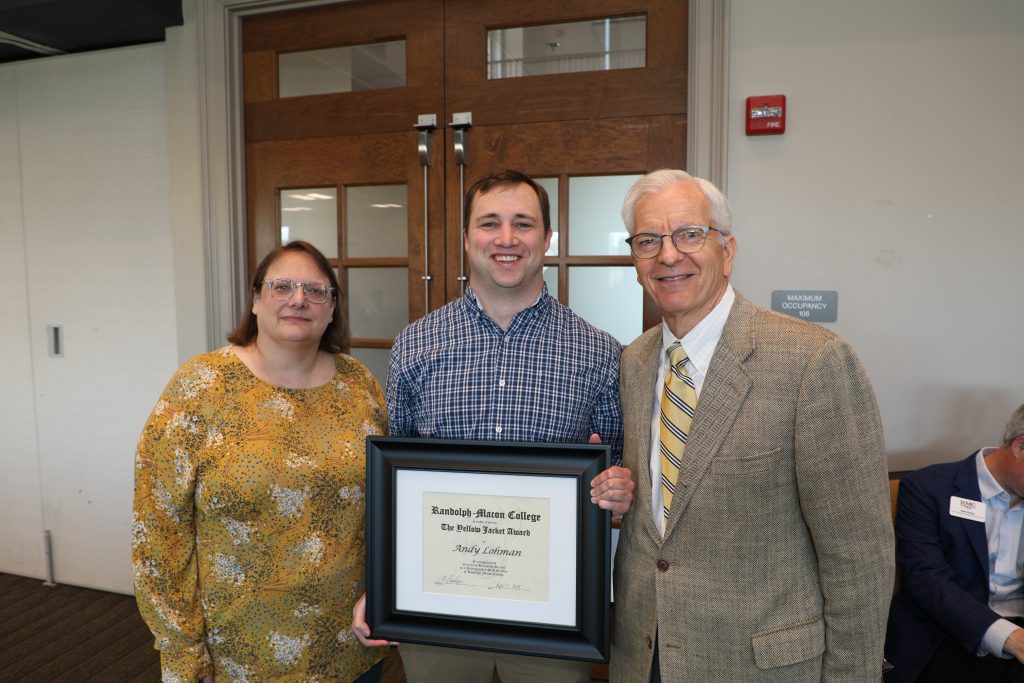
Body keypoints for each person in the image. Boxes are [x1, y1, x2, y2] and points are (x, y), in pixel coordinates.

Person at [352, 169, 635, 683]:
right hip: (436, 603)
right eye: (490, 224)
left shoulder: (599, 352)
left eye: (523, 224)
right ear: (466, 238)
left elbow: (614, 471)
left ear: (547, 239)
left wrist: (615, 487)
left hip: (552, 614)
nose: (506, 240)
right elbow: (393, 487)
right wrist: (383, 583)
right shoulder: (415, 346)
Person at [611, 169, 893, 682]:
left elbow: (859, 557)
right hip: (643, 655)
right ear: (635, 259)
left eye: (690, 234)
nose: (669, 255)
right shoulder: (633, 361)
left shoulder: (813, 361)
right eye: (649, 240)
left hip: (760, 667)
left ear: (728, 249)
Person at [133, 241, 386, 682]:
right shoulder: (199, 388)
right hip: (237, 656)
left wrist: (386, 593)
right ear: (254, 301)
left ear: (331, 310)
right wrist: (184, 650)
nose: (298, 299)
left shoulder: (359, 385)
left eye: (315, 290)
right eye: (282, 286)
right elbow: (158, 532)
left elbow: (386, 505)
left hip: (349, 649)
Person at [885, 403, 1024, 683]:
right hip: (950, 629)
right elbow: (927, 579)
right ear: (1020, 447)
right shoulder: (928, 488)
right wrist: (1008, 636)